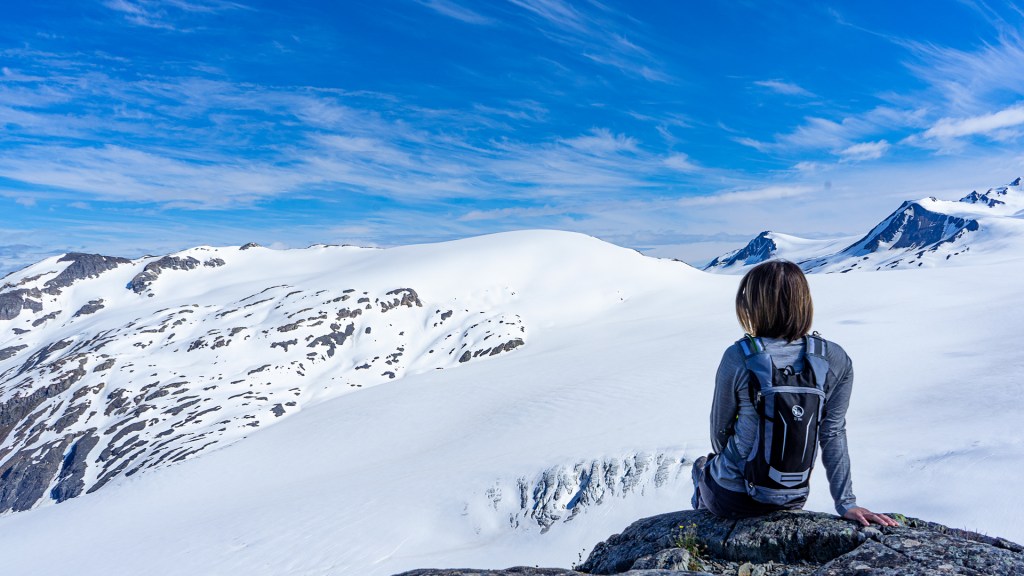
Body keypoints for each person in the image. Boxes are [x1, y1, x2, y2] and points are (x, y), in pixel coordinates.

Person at [691, 260, 896, 527]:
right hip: (790, 498)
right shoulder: (833, 358)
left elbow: (719, 433)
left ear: (753, 304)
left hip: (732, 497)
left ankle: (698, 517)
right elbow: (833, 432)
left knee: (701, 466)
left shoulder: (739, 356)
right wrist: (846, 503)